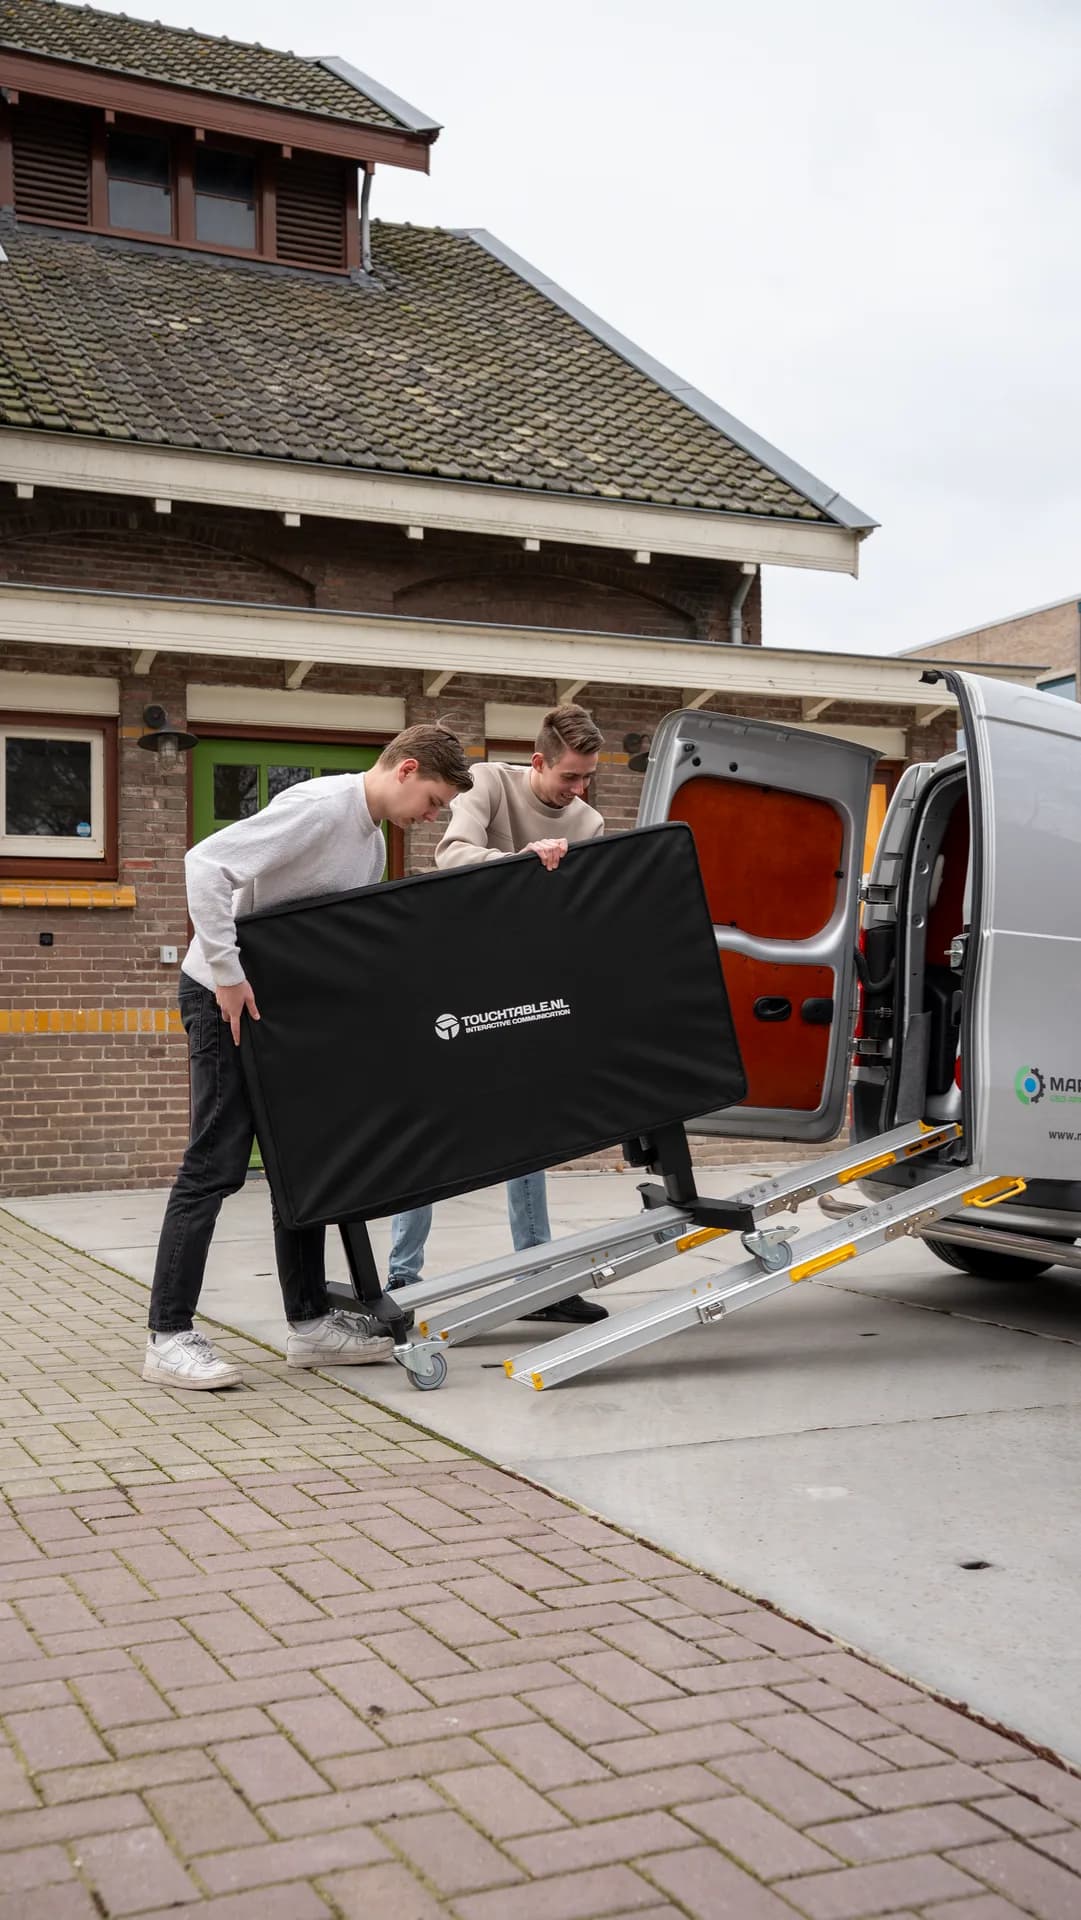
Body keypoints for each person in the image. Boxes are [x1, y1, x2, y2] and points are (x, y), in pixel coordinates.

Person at [144, 723, 474, 1391]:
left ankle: (309, 1326)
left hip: (282, 1015)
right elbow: (206, 864)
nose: (433, 816)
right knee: (215, 1164)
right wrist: (228, 972)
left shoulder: (371, 844)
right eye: (435, 799)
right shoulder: (322, 808)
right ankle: (168, 1335)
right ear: (406, 770)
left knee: (303, 1166)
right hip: (223, 1000)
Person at [387, 702, 610, 1327]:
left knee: (530, 1131)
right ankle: (401, 1283)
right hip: (453, 981)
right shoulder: (486, 781)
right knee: (433, 1125)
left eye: (586, 778)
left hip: (525, 983)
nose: (578, 790)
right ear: (537, 761)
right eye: (568, 776)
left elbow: (573, 913)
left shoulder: (588, 820)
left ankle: (539, 1281)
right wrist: (526, 861)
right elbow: (452, 856)